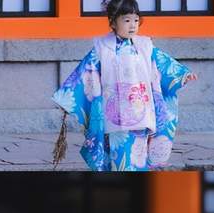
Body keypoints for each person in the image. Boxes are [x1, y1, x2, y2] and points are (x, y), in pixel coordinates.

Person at [51, 0, 197, 171]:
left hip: (142, 112)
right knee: (120, 157)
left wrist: (182, 75)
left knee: (139, 156)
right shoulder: (102, 48)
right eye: (127, 21)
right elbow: (86, 72)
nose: (133, 25)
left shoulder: (145, 47)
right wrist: (67, 99)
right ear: (113, 22)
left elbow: (163, 66)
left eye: (136, 20)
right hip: (115, 116)